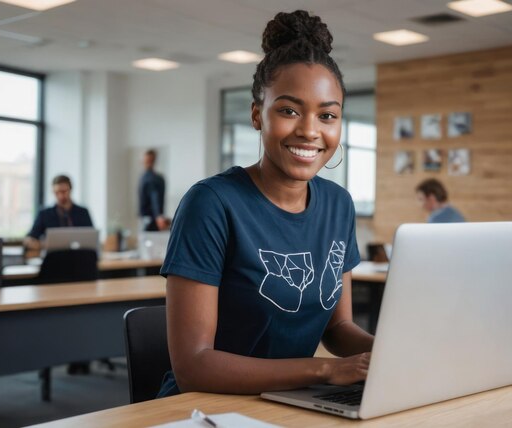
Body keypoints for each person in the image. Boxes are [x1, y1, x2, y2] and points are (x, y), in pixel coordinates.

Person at [158, 10, 374, 398]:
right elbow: (193, 365)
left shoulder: (339, 205)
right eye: (289, 110)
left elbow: (338, 329)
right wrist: (325, 370)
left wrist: (396, 354)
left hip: (290, 401)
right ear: (258, 115)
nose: (310, 130)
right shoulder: (211, 204)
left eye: (327, 115)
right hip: (203, 410)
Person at [24, 175, 93, 250]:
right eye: (56, 192)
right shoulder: (44, 214)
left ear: (70, 190)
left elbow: (91, 237)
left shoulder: (83, 212)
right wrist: (41, 244)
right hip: (53, 257)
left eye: (63, 191)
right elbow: (29, 239)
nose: (60, 196)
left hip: (79, 256)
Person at [138, 149, 169, 231]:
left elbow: (155, 196)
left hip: (151, 220)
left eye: (148, 160)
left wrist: (158, 216)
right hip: (149, 219)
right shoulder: (145, 177)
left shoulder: (152, 178)